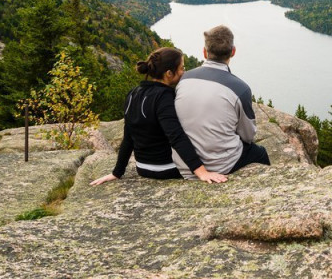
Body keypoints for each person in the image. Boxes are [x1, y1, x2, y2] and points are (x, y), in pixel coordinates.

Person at [90, 47, 228, 186]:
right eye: (181, 68)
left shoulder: (133, 94)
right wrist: (201, 172)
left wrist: (117, 172)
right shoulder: (164, 96)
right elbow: (176, 135)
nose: (184, 72)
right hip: (167, 168)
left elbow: (129, 136)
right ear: (169, 73)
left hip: (143, 168)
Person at [173, 25, 270, 178]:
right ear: (233, 51)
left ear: (205, 52)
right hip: (222, 164)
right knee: (260, 153)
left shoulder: (184, 79)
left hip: (185, 163)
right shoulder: (240, 88)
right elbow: (248, 136)